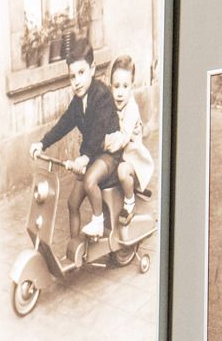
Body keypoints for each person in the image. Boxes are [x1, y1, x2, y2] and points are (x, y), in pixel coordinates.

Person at [32, 42, 123, 238]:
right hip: (91, 157)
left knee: (90, 181)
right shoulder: (77, 102)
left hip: (108, 155)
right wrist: (43, 143)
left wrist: (85, 157)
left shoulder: (102, 95)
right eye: (72, 76)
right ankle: (74, 249)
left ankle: (98, 222)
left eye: (81, 73)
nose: (77, 81)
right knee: (72, 203)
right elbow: (63, 124)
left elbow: (99, 130)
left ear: (92, 69)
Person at [104, 56, 156, 225]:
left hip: (133, 158)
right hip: (118, 155)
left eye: (125, 87)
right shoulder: (111, 104)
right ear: (110, 86)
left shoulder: (131, 109)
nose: (120, 92)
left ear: (132, 87)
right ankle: (106, 213)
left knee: (122, 171)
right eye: (116, 86)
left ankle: (129, 202)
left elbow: (123, 138)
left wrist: (102, 142)